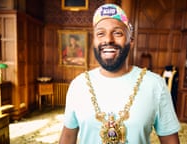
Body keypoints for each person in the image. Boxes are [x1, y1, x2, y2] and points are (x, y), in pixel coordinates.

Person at [59, 3, 180, 144]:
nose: (108, 39)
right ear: (94, 42)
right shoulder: (78, 85)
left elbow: (170, 141)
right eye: (100, 33)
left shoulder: (155, 85)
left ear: (131, 41)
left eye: (117, 33)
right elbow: (67, 137)